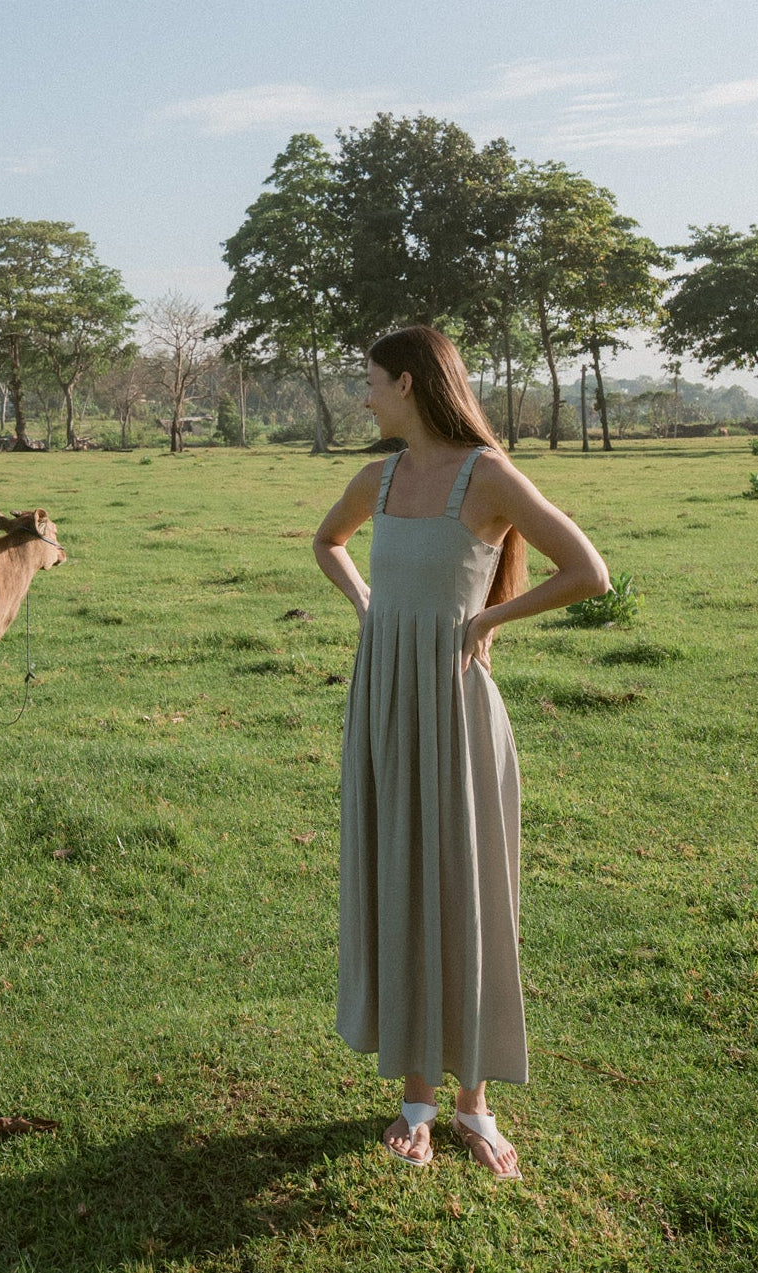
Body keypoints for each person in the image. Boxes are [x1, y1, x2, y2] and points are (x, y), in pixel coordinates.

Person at [313, 326, 609, 1176]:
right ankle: (415, 1099)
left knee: (467, 886)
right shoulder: (378, 475)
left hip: (453, 704)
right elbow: (325, 541)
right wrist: (370, 608)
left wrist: (485, 619)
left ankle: (474, 1105)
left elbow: (587, 570)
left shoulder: (488, 476)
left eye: (369, 381)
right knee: (400, 875)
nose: (362, 395)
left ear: (406, 384)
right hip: (383, 702)